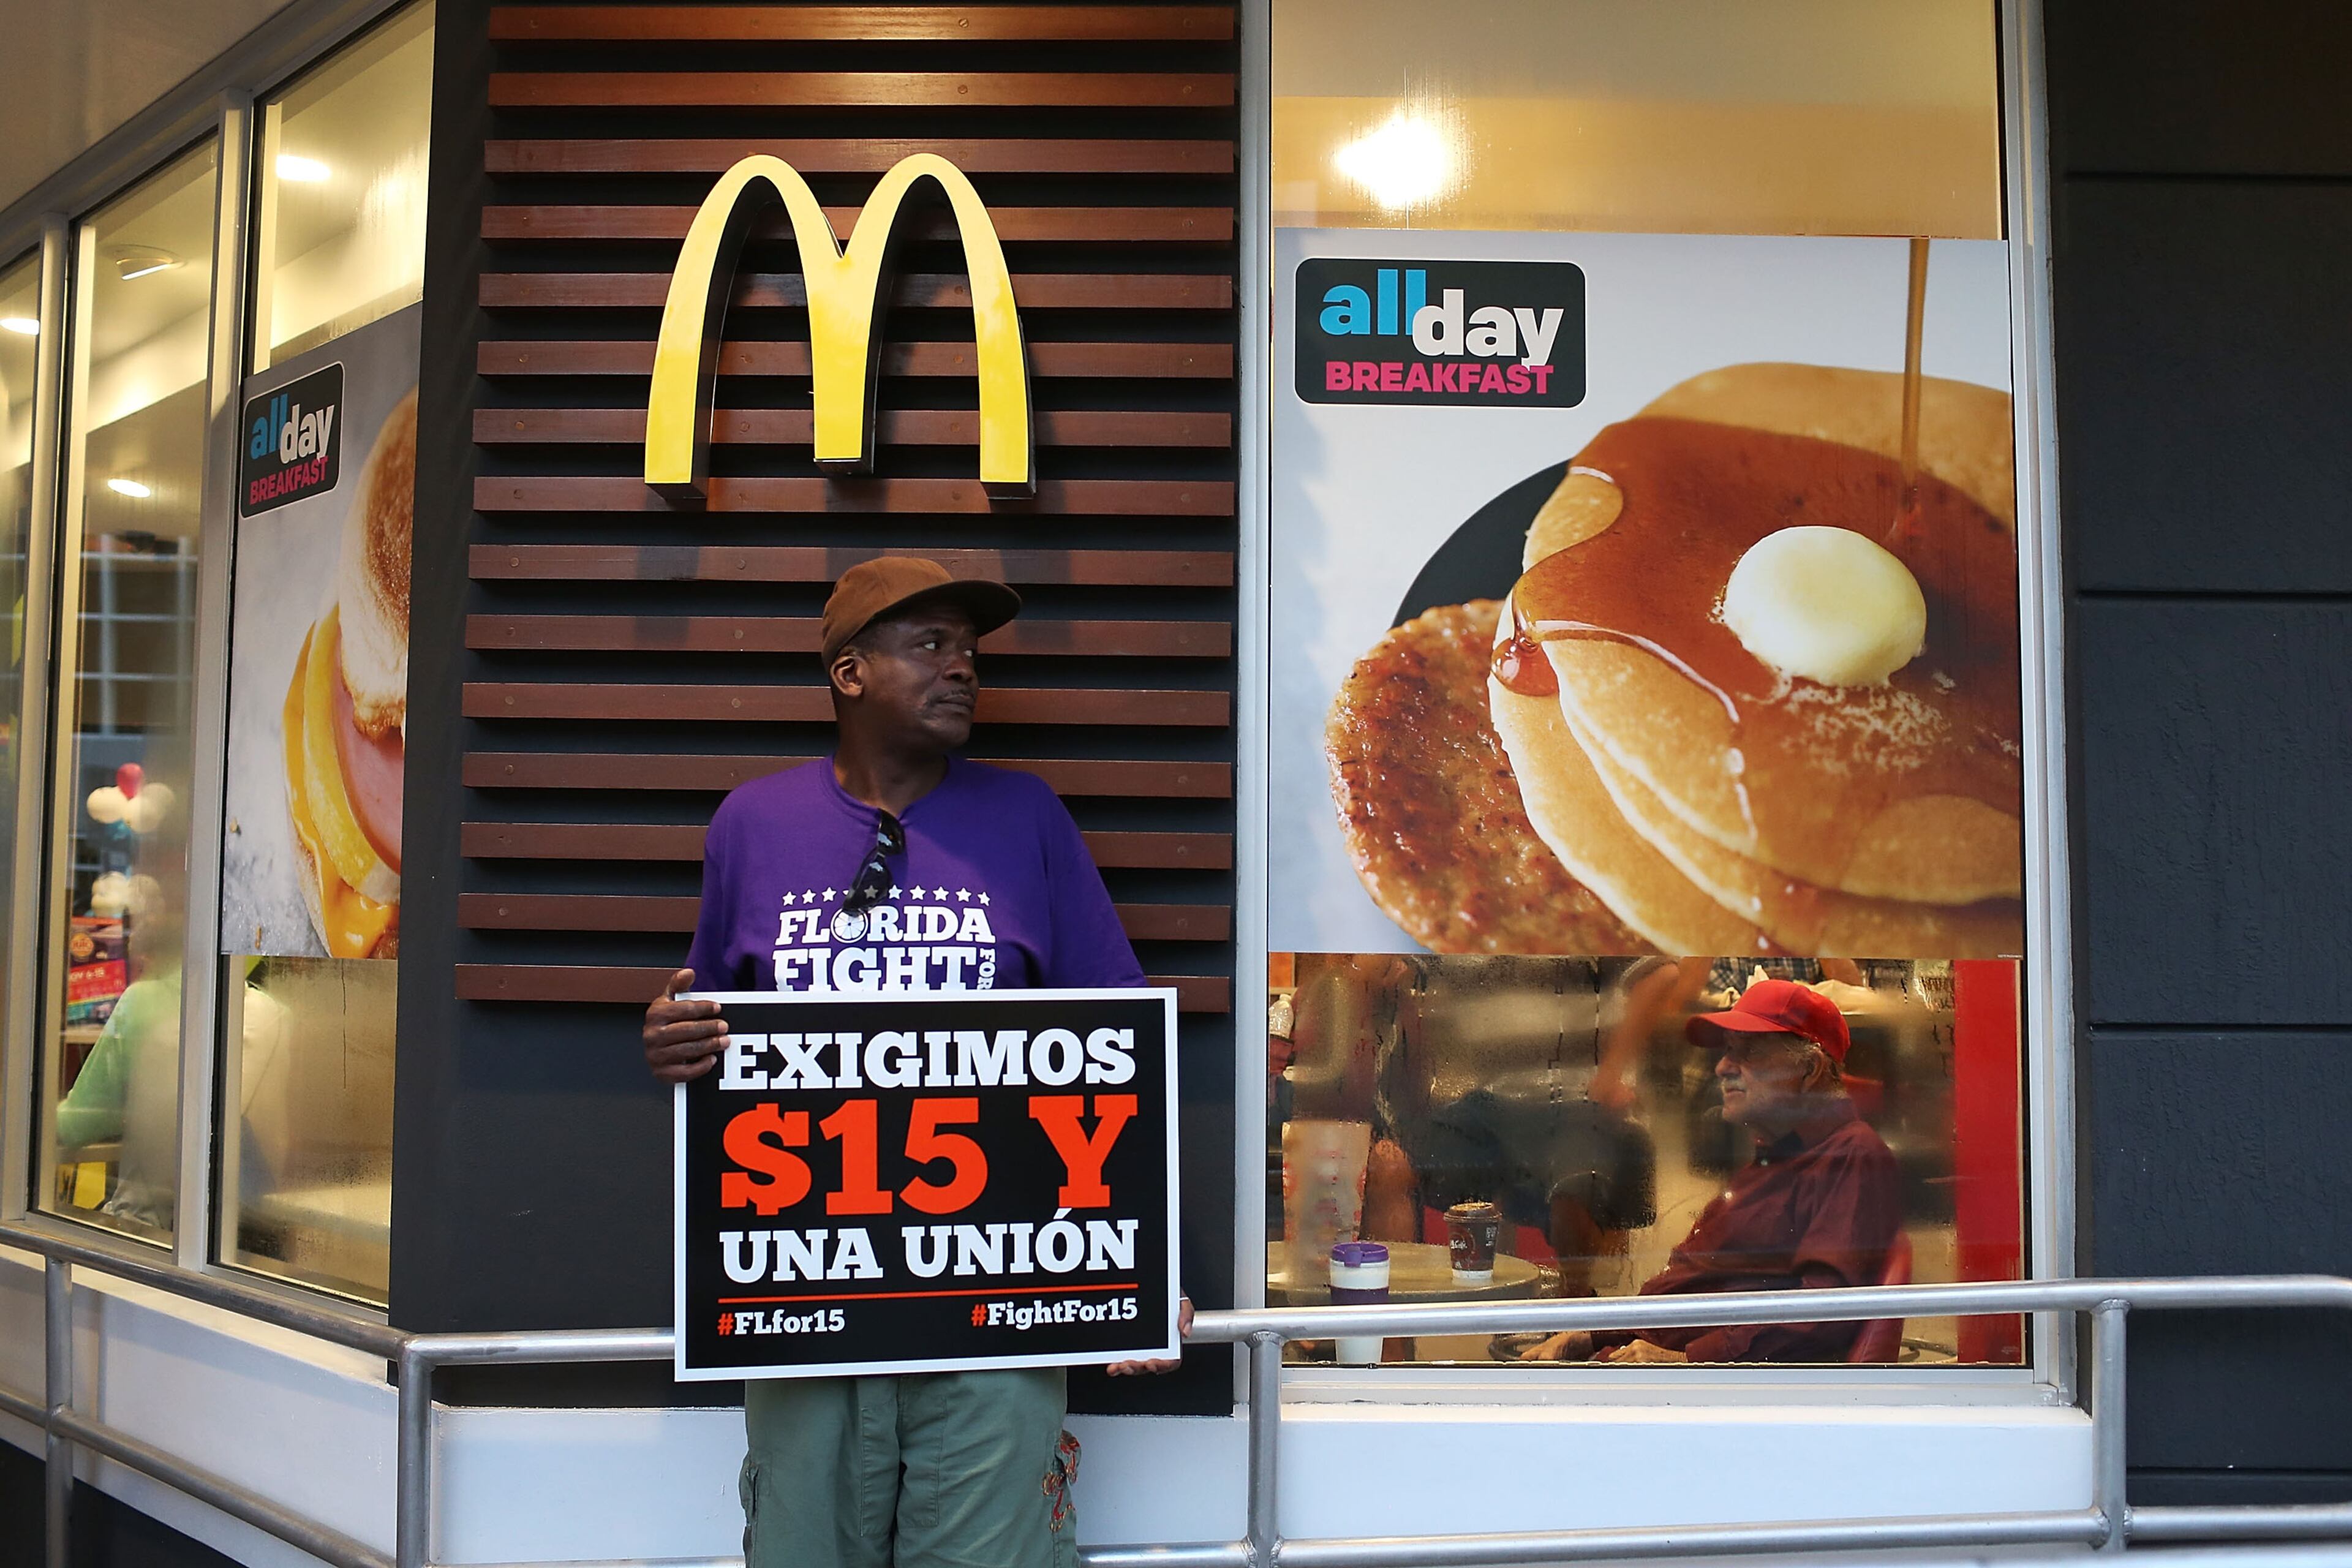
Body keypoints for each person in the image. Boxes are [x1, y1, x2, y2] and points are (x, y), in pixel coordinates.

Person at [641, 557, 1188, 1568]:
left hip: (993, 1307)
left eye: (969, 650)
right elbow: (713, 1028)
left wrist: (1142, 1264)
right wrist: (672, 1040)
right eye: (931, 646)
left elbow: (1112, 1054)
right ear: (850, 674)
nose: (964, 668)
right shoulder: (751, 825)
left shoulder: (1027, 819)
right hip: (807, 1299)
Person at [1522, 978, 1902, 1364]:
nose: (1722, 1068)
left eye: (1747, 1053)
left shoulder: (1850, 1156)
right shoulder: (1776, 1159)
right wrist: (1590, 1334)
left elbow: (1820, 1315)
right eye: (1726, 1053)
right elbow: (1694, 1284)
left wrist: (1687, 1359)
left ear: (1811, 1069)